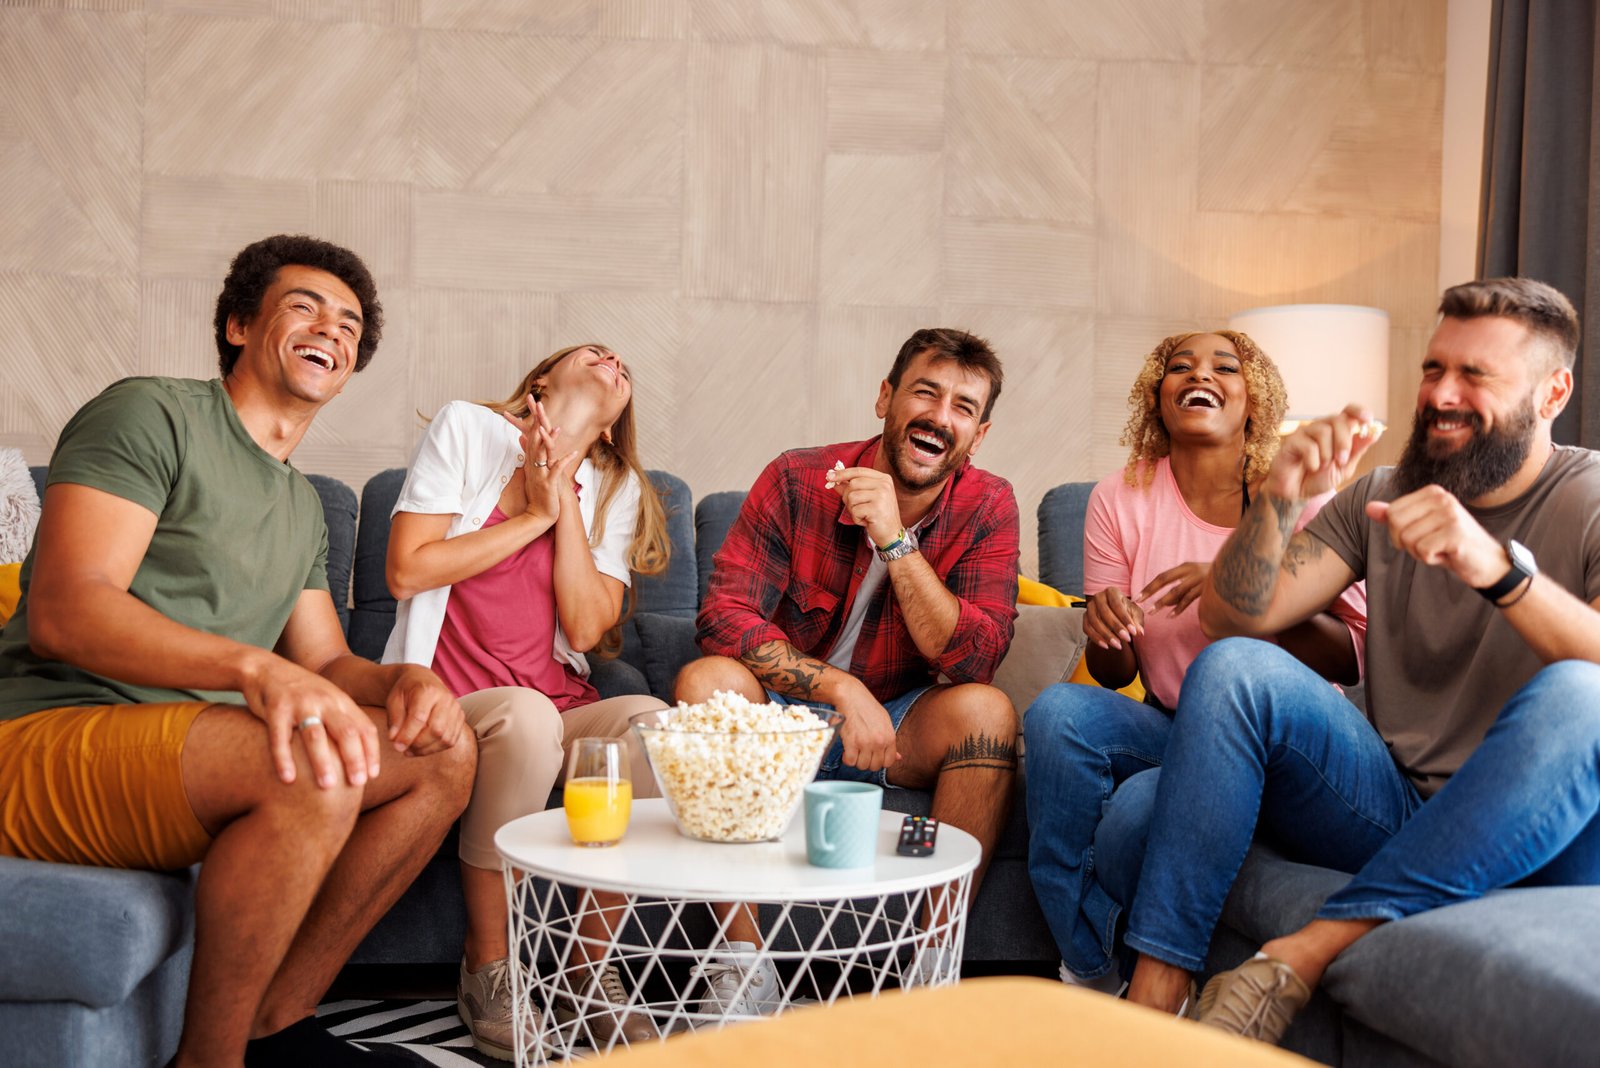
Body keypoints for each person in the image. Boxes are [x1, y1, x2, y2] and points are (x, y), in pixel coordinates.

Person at [0, 234, 475, 1067]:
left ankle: (275, 1025)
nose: (331, 326)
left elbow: (328, 662)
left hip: (190, 753)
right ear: (236, 325)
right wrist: (254, 668)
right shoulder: (152, 412)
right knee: (311, 767)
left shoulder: (298, 505)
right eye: (304, 305)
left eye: (351, 323)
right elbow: (67, 610)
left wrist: (404, 678)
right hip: (44, 734)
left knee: (444, 756)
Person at [1113, 278, 1600, 1042]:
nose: (1443, 394)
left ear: (1553, 392)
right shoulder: (1381, 491)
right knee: (1235, 669)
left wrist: (1498, 569)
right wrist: (1278, 492)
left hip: (1541, 827)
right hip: (1398, 803)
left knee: (1585, 693)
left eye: (1476, 376)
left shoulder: (1592, 496)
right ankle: (1154, 1005)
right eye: (1435, 369)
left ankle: (1307, 950)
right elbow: (1232, 615)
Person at [677, 327, 1021, 1003]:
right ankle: (742, 966)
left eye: (963, 406)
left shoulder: (988, 505)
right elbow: (722, 616)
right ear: (885, 398)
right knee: (704, 683)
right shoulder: (798, 477)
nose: (940, 416)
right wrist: (840, 688)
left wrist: (895, 540)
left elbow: (976, 656)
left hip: (896, 729)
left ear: (978, 436)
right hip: (782, 721)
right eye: (925, 392)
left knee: (987, 714)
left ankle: (930, 970)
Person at [1023, 330, 1367, 998]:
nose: (1197, 374)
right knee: (1056, 712)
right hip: (1172, 725)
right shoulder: (1118, 499)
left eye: (1223, 367)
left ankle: (1157, 992)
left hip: (1281, 740)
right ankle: (1089, 968)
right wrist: (1105, 628)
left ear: (1253, 400)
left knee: (1128, 823)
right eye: (1177, 367)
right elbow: (1116, 670)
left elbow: (1351, 654)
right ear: (1157, 399)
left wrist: (1237, 589)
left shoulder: (1301, 496)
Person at [383, 344, 671, 1057]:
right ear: (542, 380)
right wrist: (533, 516)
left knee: (654, 726)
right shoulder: (467, 429)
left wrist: (564, 487)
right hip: (452, 703)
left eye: (622, 369)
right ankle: (489, 968)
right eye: (592, 352)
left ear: (611, 425)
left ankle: (588, 973)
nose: (611, 359)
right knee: (525, 714)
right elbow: (406, 570)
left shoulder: (613, 485)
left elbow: (583, 625)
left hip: (555, 697)